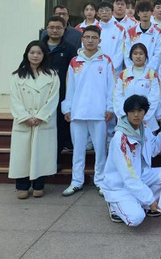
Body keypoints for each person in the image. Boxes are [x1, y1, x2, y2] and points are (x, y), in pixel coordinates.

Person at [61, 25, 115, 197]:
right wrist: (67, 108)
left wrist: (110, 107)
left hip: (99, 113)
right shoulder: (75, 61)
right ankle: (76, 181)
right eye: (87, 37)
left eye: (94, 38)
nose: (90, 41)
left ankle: (100, 181)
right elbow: (70, 87)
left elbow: (111, 87)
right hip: (78, 112)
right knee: (78, 150)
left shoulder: (106, 61)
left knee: (100, 150)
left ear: (100, 40)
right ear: (82, 39)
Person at [103, 95, 161, 226]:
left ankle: (138, 202)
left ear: (145, 112)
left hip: (141, 176)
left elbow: (153, 149)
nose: (136, 115)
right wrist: (150, 200)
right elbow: (129, 177)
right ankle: (114, 205)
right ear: (126, 113)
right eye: (132, 111)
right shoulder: (120, 139)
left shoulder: (143, 127)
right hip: (120, 186)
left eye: (139, 111)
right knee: (136, 218)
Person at [8, 40, 60, 199]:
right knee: (22, 154)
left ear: (44, 55)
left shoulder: (52, 75)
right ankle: (22, 185)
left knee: (41, 153)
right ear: (27, 54)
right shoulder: (17, 76)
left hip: (43, 121)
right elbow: (15, 99)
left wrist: (41, 116)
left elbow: (53, 98)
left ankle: (39, 184)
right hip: (24, 122)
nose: (35, 56)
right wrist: (24, 117)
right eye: (32, 53)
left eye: (39, 53)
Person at [43, 15, 78, 171]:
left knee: (58, 129)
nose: (55, 30)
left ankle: (55, 160)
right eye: (51, 27)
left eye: (58, 28)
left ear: (64, 29)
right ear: (47, 29)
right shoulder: (39, 48)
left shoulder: (70, 49)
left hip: (61, 95)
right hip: (41, 96)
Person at [114, 43, 161, 133]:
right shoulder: (123, 75)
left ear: (146, 56)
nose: (138, 56)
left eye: (141, 53)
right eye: (135, 53)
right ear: (131, 56)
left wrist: (144, 116)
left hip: (147, 122)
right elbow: (118, 96)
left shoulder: (152, 75)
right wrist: (126, 115)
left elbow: (155, 98)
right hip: (126, 122)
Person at [124, 0, 161, 71]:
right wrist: (132, 69)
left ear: (152, 13)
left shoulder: (158, 32)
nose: (145, 13)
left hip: (152, 72)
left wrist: (147, 71)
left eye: (147, 11)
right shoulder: (130, 32)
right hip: (133, 72)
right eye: (142, 11)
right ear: (138, 13)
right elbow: (127, 53)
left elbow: (158, 54)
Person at [97, 1, 126, 71]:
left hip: (115, 70)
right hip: (96, 68)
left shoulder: (120, 29)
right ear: (97, 13)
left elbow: (121, 51)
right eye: (101, 10)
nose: (104, 12)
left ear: (112, 12)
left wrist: (112, 66)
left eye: (107, 10)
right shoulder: (93, 28)